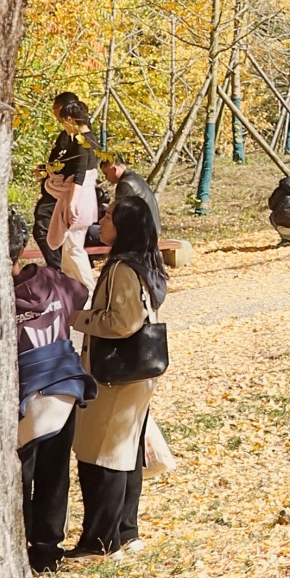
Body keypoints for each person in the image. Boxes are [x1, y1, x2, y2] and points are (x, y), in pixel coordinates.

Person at [70, 190, 167, 556]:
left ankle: (101, 541)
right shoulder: (144, 264)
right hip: (134, 375)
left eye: (109, 216)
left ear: (125, 226)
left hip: (116, 375)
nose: (102, 221)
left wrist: (80, 319)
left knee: (102, 456)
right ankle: (125, 533)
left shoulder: (124, 269)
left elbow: (123, 322)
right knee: (125, 454)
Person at [10, 208, 96, 573]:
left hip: (24, 398)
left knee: (19, 476)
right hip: (64, 388)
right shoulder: (53, 280)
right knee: (53, 473)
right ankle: (46, 549)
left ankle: (18, 544)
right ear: (23, 245)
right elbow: (81, 295)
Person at [38, 91, 100, 288]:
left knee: (74, 248)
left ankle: (88, 290)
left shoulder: (83, 142)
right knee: (70, 249)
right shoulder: (87, 138)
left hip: (79, 198)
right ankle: (73, 290)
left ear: (70, 119)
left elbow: (80, 174)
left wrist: (72, 203)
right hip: (81, 197)